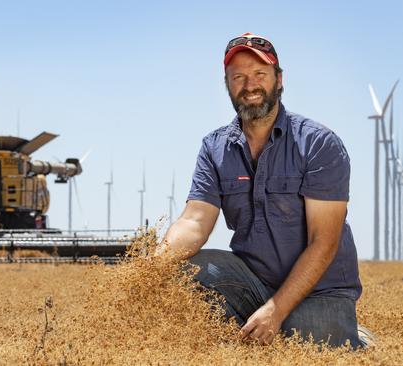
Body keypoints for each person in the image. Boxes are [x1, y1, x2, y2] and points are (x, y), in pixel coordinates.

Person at [155, 33, 371, 348]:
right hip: (253, 282)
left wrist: (275, 310)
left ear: (278, 80)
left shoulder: (318, 143)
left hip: (321, 290)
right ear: (227, 84)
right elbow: (195, 221)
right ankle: (252, 328)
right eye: (238, 77)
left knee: (302, 335)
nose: (250, 85)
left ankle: (352, 334)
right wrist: (151, 267)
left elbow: (323, 242)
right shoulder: (214, 147)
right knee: (186, 271)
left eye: (260, 75)